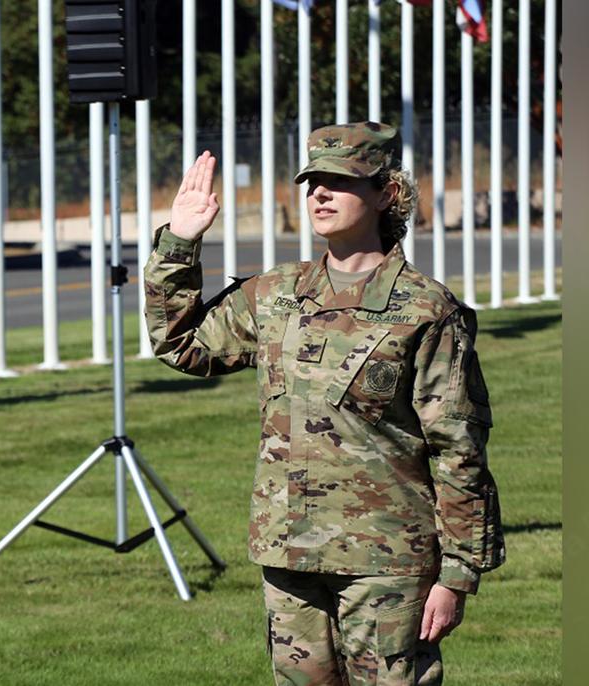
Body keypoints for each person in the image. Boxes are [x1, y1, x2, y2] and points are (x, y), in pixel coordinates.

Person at [143, 121, 504, 685]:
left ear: (387, 193)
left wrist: (458, 574)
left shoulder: (426, 309)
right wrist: (180, 243)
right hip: (288, 551)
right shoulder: (275, 294)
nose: (319, 193)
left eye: (340, 181)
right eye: (312, 181)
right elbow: (181, 345)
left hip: (387, 561)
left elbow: (458, 447)